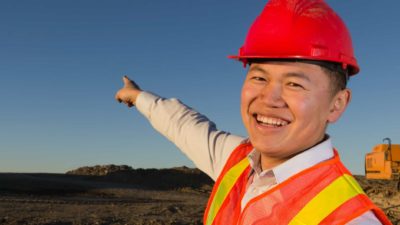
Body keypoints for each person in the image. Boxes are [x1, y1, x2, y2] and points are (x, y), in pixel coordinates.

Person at [115, 0, 392, 224]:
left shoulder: (348, 218)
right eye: (259, 78)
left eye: (294, 84)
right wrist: (139, 96)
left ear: (337, 104)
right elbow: (183, 125)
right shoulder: (237, 161)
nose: (269, 98)